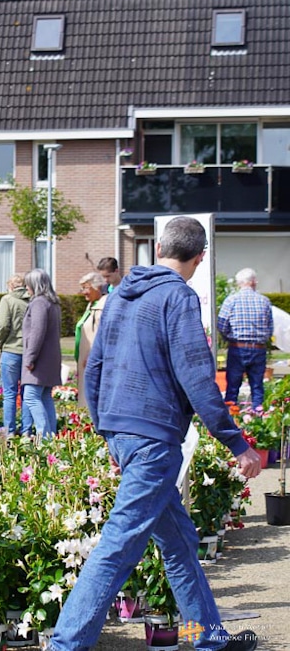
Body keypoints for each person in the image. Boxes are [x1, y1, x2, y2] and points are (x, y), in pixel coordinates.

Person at [51, 216, 262, 651]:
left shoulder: (120, 296)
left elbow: (94, 369)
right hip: (154, 439)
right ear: (199, 258)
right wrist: (237, 444)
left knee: (181, 541)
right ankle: (65, 645)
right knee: (118, 545)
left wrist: (105, 429)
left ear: (161, 248)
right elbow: (198, 378)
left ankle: (210, 639)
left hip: (124, 433)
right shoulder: (178, 298)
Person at [217, 268, 273, 409]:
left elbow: (221, 324)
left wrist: (229, 337)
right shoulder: (264, 301)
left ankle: (231, 419)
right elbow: (270, 327)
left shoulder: (231, 300)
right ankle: (258, 417)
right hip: (258, 348)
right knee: (257, 387)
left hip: (237, 347)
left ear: (238, 283)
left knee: (233, 387)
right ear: (253, 282)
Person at [21, 268, 62, 438]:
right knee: (45, 397)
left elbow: (37, 332)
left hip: (39, 360)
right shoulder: (53, 303)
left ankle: (43, 436)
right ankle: (51, 436)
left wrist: (30, 358)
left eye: (28, 285)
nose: (26, 288)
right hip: (51, 358)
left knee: (30, 397)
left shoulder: (38, 303)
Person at [0, 273, 33, 434]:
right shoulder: (32, 301)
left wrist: (0, 342)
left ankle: (9, 431)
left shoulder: (7, 300)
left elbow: (2, 324)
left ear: (10, 286)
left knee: (10, 393)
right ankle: (26, 431)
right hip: (29, 351)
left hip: (11, 349)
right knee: (27, 393)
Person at [74, 271, 107, 410]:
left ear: (97, 287)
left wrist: (94, 355)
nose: (83, 292)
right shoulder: (91, 305)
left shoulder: (103, 306)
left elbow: (103, 335)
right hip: (85, 363)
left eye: (86, 288)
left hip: (94, 362)